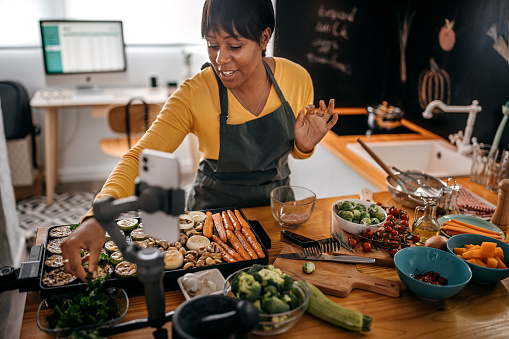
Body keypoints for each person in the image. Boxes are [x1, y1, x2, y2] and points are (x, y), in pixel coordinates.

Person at [61, 0, 338, 282]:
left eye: (234, 46)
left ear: (264, 38)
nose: (220, 59)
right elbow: (137, 158)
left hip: (275, 215)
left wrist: (304, 146)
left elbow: (297, 151)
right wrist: (96, 217)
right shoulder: (194, 93)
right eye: (212, 44)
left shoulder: (297, 80)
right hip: (210, 221)